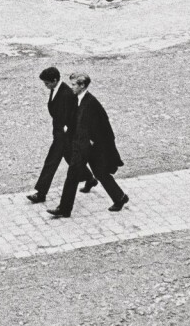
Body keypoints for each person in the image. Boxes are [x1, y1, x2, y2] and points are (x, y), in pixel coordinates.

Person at [48, 72, 129, 217]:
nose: (71, 87)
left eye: (74, 85)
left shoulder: (91, 103)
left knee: (91, 173)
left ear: (82, 86)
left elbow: (104, 127)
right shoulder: (78, 99)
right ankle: (120, 197)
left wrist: (92, 141)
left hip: (88, 147)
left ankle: (65, 209)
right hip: (82, 144)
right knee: (94, 173)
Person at [26, 67, 97, 203]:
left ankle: (41, 193)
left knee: (51, 162)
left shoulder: (66, 93)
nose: (45, 85)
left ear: (55, 80)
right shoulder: (56, 89)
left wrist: (65, 130)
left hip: (64, 135)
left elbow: (72, 115)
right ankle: (90, 179)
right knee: (72, 160)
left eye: (47, 83)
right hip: (60, 133)